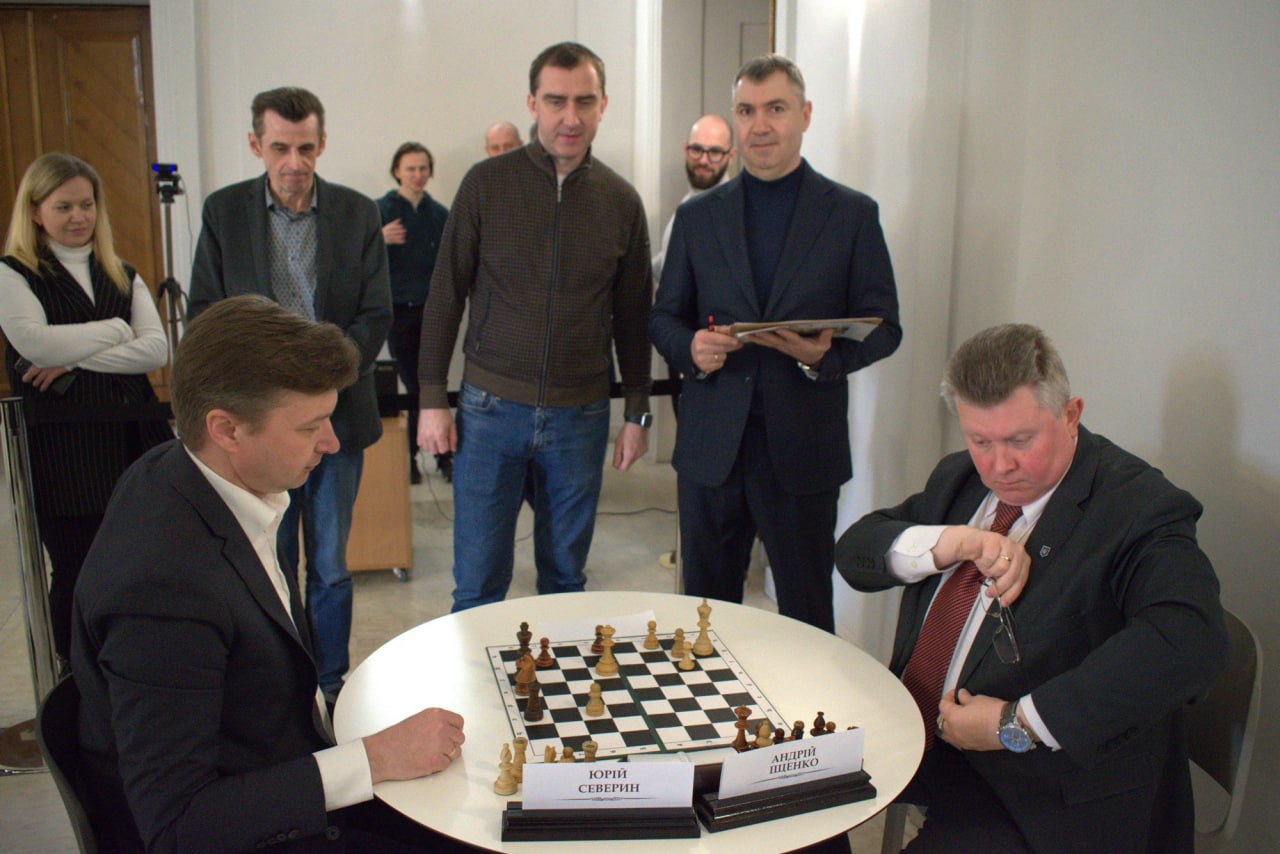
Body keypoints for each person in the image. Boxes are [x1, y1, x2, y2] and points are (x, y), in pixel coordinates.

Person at [72, 295, 469, 853]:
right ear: (226, 429)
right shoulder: (162, 591)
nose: (331, 442)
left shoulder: (182, 471)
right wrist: (373, 758)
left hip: (282, 763)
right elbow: (178, 826)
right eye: (310, 426)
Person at [835, 323, 1228, 853]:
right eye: (980, 441)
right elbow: (856, 553)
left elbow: (1191, 641)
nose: (1000, 465)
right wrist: (952, 542)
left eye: (1021, 440)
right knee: (775, 801)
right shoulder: (962, 479)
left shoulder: (1139, 507)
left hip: (1034, 784)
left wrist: (1015, 723)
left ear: (1070, 415)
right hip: (920, 732)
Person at [649, 54, 901, 632]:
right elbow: (663, 318)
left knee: (806, 617)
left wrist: (823, 358)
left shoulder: (851, 215)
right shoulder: (698, 217)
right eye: (746, 111)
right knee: (704, 617)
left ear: (805, 115)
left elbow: (886, 326)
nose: (759, 125)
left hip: (803, 449)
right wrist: (691, 348)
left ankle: (803, 699)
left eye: (775, 109)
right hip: (712, 448)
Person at [418, 42, 653, 612]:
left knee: (565, 583)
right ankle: (473, 675)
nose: (570, 117)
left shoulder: (621, 202)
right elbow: (446, 294)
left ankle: (557, 675)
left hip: (581, 416)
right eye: (555, 101)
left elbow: (632, 316)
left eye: (584, 101)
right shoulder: (485, 184)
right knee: (478, 584)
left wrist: (637, 411)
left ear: (603, 105)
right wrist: (431, 398)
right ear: (532, 103)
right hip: (490, 410)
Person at [189, 86, 391, 700]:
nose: (294, 163)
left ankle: (330, 685)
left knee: (329, 566)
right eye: (280, 148)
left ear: (322, 143)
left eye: (305, 148)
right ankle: (283, 685)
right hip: (258, 427)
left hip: (338, 421)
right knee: (269, 563)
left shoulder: (357, 213)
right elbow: (207, 312)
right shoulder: (225, 213)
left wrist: (317, 385)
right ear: (256, 145)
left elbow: (375, 315)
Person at [0, 152, 169, 664]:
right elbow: (34, 344)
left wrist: (74, 356)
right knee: (77, 568)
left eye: (87, 205)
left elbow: (156, 350)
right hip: (64, 451)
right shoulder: (13, 274)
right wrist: (117, 331)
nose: (79, 216)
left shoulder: (121, 272)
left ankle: (134, 666)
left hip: (133, 439)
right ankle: (76, 679)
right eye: (64, 206)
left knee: (139, 566)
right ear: (35, 211)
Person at [376, 141, 449, 484]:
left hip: (433, 312)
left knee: (432, 383)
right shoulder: (380, 211)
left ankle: (434, 456)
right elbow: (354, 257)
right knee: (415, 385)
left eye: (423, 168)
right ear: (397, 171)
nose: (417, 175)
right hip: (398, 312)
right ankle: (423, 457)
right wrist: (379, 238)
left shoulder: (439, 215)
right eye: (410, 169)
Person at [651, 113, 736, 283]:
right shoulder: (690, 202)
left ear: (731, 157)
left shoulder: (733, 216)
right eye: (697, 149)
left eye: (715, 152)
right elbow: (671, 261)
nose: (703, 160)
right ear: (685, 149)